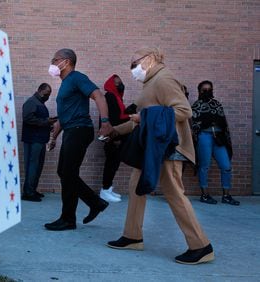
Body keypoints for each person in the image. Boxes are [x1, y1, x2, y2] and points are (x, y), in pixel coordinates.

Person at [106, 47, 214, 265]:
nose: (132, 69)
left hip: (169, 148)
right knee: (136, 188)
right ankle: (132, 236)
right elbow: (142, 119)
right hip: (152, 147)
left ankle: (201, 246)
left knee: (174, 194)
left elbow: (184, 111)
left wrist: (143, 116)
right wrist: (116, 130)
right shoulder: (149, 83)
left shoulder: (164, 79)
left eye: (134, 64)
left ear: (150, 59)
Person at [44, 48, 112, 231]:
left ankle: (70, 218)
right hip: (71, 130)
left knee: (67, 173)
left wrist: (105, 121)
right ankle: (93, 204)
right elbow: (62, 117)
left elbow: (98, 95)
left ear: (66, 61)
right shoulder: (66, 83)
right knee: (65, 172)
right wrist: (54, 138)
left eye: (54, 59)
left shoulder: (76, 77)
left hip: (80, 129)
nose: (52, 63)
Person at [191, 80, 239, 205]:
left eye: (209, 89)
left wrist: (221, 129)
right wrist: (205, 122)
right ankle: (205, 194)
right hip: (204, 137)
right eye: (204, 90)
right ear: (200, 91)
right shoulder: (196, 105)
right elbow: (194, 124)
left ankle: (226, 195)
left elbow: (223, 121)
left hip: (218, 137)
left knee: (226, 166)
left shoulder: (217, 104)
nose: (207, 92)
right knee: (204, 166)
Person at [21, 83, 57, 202]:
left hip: (40, 139)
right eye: (46, 94)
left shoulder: (39, 103)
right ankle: (28, 193)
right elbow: (27, 118)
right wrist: (46, 122)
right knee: (32, 166)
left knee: (38, 166)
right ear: (40, 90)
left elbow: (38, 120)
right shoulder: (31, 102)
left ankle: (32, 190)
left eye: (49, 94)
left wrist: (49, 124)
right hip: (33, 140)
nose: (47, 96)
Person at [99, 74, 130, 202]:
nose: (120, 85)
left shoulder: (116, 97)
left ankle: (108, 188)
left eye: (120, 82)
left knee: (114, 163)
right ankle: (105, 190)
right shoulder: (110, 96)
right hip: (113, 137)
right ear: (112, 85)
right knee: (111, 163)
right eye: (117, 83)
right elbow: (112, 118)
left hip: (116, 135)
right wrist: (114, 137)